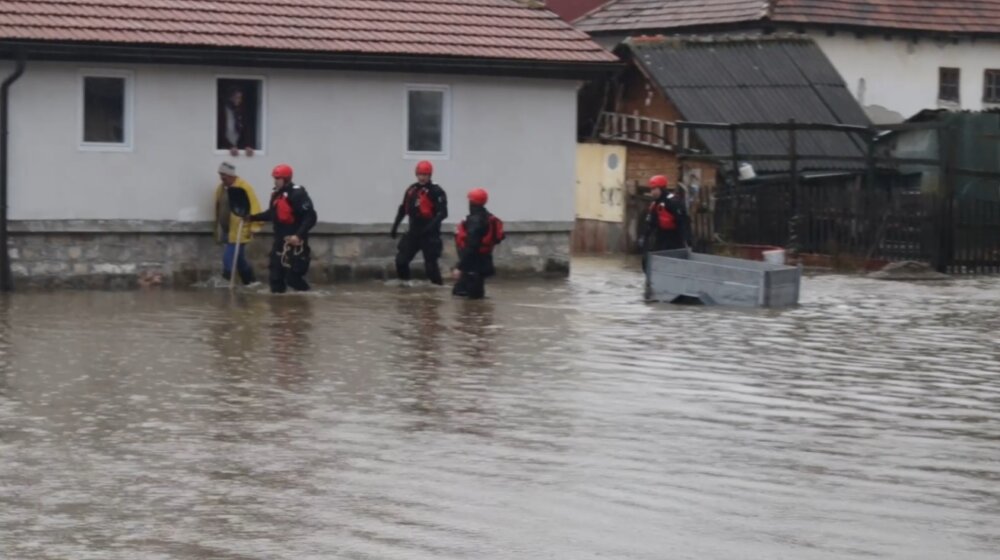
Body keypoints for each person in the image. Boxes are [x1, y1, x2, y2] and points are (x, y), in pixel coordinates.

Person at [248, 164, 317, 293]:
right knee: (275, 279)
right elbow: (271, 214)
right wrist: (251, 218)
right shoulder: (276, 195)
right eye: (274, 178)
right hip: (280, 242)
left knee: (292, 278)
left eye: (278, 178)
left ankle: (307, 301)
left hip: (295, 244)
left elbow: (310, 217)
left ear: (286, 179)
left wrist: (298, 235)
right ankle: (278, 311)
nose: (275, 181)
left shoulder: (297, 194)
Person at [391, 161, 448, 285]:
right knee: (401, 261)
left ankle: (437, 292)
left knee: (431, 267)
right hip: (414, 233)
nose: (422, 177)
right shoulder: (412, 189)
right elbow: (403, 209)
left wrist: (429, 227)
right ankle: (405, 286)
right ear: (416, 174)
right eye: (420, 174)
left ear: (430, 175)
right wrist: (395, 226)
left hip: (430, 235)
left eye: (425, 174)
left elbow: (443, 213)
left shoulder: (436, 191)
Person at [213, 162, 262, 286]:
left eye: (223, 175)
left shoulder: (244, 188)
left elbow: (255, 207)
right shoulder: (221, 188)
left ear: (230, 175)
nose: (221, 178)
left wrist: (255, 227)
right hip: (227, 229)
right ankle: (250, 282)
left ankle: (226, 285)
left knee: (228, 258)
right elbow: (218, 206)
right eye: (220, 175)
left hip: (240, 229)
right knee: (239, 259)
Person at [452, 188, 504, 299]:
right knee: (473, 298)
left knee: (464, 298)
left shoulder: (475, 220)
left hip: (472, 265)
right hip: (483, 261)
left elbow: (472, 246)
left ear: (471, 202)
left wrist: (460, 268)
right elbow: (499, 238)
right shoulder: (488, 217)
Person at [640, 174, 691, 272]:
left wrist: (687, 241)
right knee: (651, 261)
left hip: (675, 240)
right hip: (661, 239)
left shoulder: (673, 202)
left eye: (654, 189)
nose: (652, 192)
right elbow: (649, 225)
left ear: (662, 189)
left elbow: (684, 223)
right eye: (651, 189)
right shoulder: (655, 205)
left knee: (673, 265)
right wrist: (644, 240)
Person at [217, 85, 256, 157]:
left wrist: (248, 145)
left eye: (240, 98)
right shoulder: (222, 111)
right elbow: (219, 132)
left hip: (238, 149)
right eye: (237, 98)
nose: (239, 101)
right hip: (223, 149)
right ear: (230, 97)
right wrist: (229, 146)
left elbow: (246, 131)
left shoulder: (241, 112)